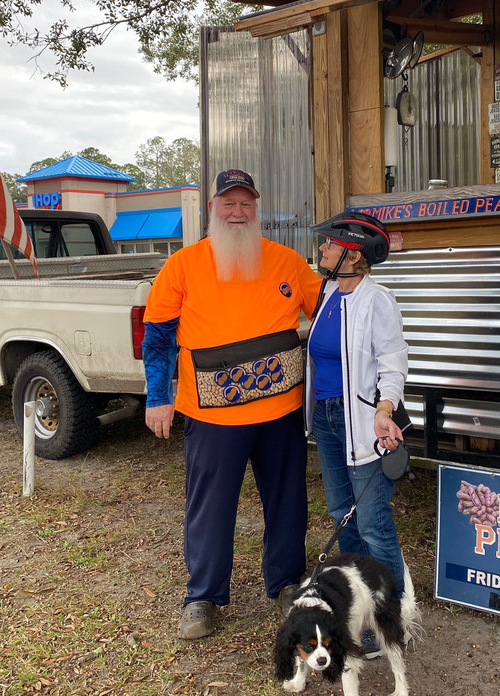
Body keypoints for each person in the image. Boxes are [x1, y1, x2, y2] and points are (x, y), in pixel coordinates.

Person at [142, 168, 323, 641]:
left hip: (280, 411)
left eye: (246, 204)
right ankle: (202, 596)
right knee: (210, 507)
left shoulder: (287, 262)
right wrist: (158, 398)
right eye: (229, 203)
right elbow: (157, 337)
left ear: (256, 210)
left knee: (288, 501)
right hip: (211, 416)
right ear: (212, 209)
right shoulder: (183, 265)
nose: (238, 212)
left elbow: (328, 313)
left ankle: (286, 582)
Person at [305, 212, 410, 604]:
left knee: (372, 524)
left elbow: (393, 362)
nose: (322, 248)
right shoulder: (329, 293)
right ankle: (362, 603)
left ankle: (391, 614)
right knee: (341, 515)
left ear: (353, 255)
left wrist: (385, 409)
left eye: (330, 244)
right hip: (326, 417)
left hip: (363, 421)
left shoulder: (376, 299)